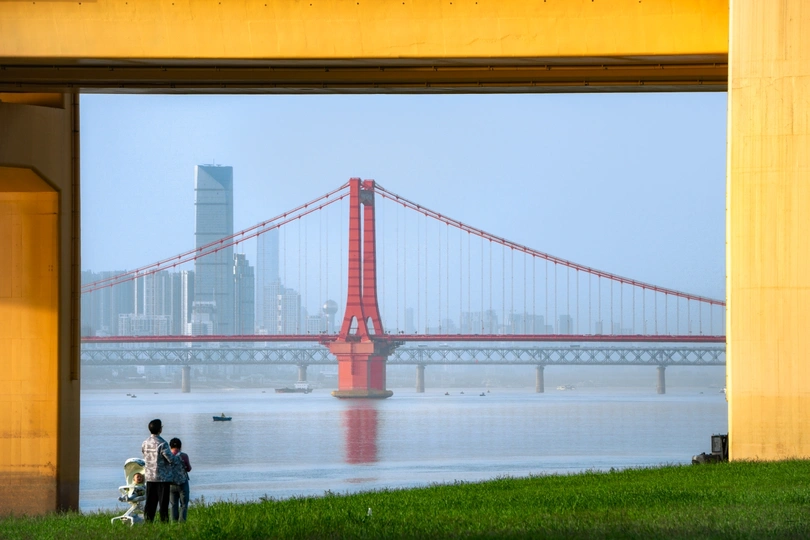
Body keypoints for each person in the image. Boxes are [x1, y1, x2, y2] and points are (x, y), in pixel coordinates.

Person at [141, 418, 180, 522]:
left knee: (150, 503)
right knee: (163, 503)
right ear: (160, 430)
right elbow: (171, 459)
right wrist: (178, 458)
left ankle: (148, 522)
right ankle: (164, 522)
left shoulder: (145, 442)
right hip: (162, 478)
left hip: (149, 477)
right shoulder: (162, 443)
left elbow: (144, 455)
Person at [169, 437, 192, 522]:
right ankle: (182, 522)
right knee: (183, 504)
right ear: (180, 446)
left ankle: (173, 522)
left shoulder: (167, 456)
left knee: (173, 504)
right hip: (183, 482)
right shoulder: (184, 456)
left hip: (171, 483)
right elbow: (189, 469)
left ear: (170, 446)